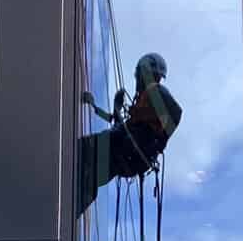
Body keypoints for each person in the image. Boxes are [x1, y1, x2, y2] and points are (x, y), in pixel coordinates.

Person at [77, 51, 182, 214]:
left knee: (79, 151)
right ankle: (69, 208)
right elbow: (122, 126)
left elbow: (174, 114)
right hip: (124, 157)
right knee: (90, 182)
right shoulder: (145, 103)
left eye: (139, 74)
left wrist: (160, 138)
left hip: (124, 150)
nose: (137, 78)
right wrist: (112, 108)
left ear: (144, 71)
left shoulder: (154, 91)